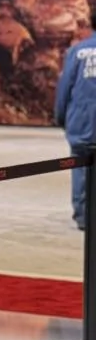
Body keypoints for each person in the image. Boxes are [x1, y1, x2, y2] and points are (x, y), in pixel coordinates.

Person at [54, 22, 96, 229]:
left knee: (80, 168)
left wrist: (60, 117)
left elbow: (64, 88)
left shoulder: (77, 52)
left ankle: (83, 215)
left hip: (82, 122)